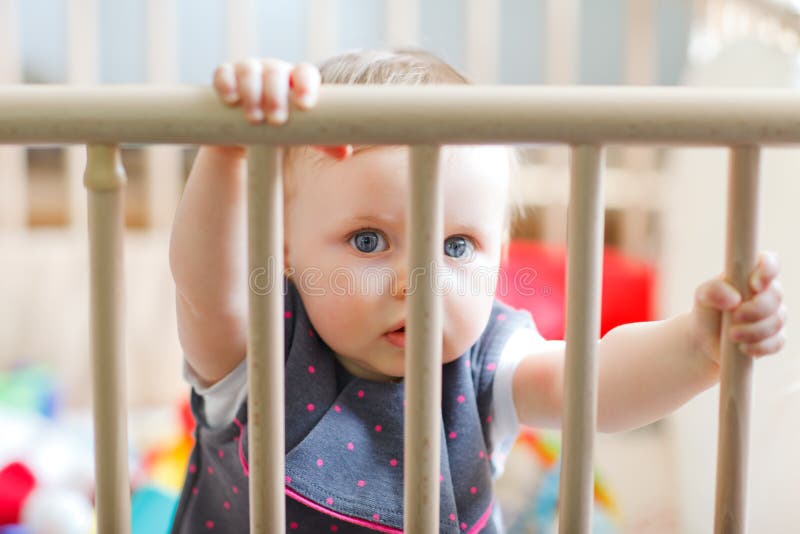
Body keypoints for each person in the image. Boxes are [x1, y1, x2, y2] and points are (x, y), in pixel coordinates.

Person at [168, 49, 787, 533]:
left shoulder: (484, 361)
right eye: (367, 241)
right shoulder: (260, 348)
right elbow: (204, 286)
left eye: (457, 246)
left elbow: (592, 385)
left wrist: (695, 346)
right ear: (283, 248)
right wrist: (227, 154)